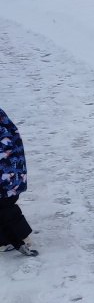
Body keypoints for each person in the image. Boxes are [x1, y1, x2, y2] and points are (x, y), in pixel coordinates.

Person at [0, 106, 36, 256]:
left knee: (6, 208)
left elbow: (6, 149)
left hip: (7, 175)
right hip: (9, 174)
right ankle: (4, 241)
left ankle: (22, 237)